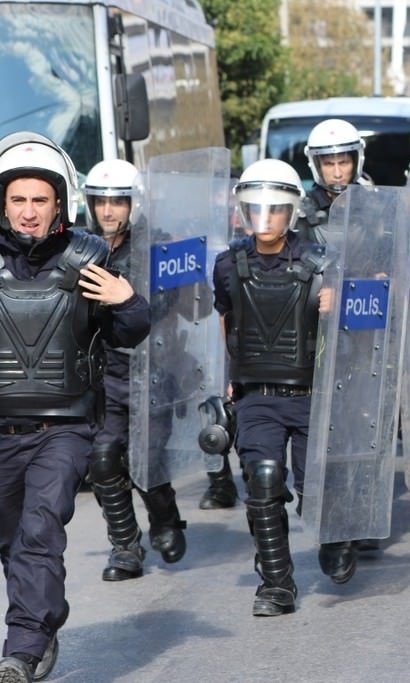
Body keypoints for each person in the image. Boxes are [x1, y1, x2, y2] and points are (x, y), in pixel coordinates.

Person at [0, 133, 150, 683]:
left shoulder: (88, 257)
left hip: (63, 427)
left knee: (40, 530)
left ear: (58, 203)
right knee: (13, 539)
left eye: (40, 200)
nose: (29, 212)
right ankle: (38, 624)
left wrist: (125, 301)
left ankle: (23, 646)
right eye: (18, 200)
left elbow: (132, 331)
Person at [212, 158, 344, 618]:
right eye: (255, 208)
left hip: (311, 395)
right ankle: (276, 585)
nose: (264, 218)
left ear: (291, 211)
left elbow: (360, 326)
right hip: (258, 397)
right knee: (262, 481)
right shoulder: (228, 264)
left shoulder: (322, 261)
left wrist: (335, 305)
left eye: (274, 209)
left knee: (318, 489)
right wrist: (232, 375)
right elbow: (228, 319)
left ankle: (336, 535)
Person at [82, 159, 188, 582]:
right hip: (103, 373)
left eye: (118, 201)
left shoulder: (158, 248)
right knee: (103, 458)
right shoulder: (81, 247)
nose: (109, 210)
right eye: (101, 201)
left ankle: (165, 518)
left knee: (147, 462)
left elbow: (182, 306)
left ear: (134, 204)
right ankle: (125, 546)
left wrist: (126, 298)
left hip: (151, 370)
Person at [293, 118, 367, 244]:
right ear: (316, 166)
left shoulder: (375, 205)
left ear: (356, 163)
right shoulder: (301, 210)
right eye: (328, 164)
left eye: (344, 163)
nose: (337, 174)